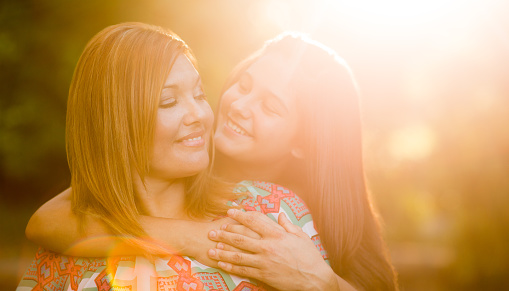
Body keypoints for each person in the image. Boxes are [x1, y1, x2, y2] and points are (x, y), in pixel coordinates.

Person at [23, 32, 398, 290]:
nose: (238, 106)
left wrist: (321, 281)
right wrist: (191, 237)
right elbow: (48, 221)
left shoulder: (292, 214)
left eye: (270, 107)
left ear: (303, 143)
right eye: (244, 85)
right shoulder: (178, 161)